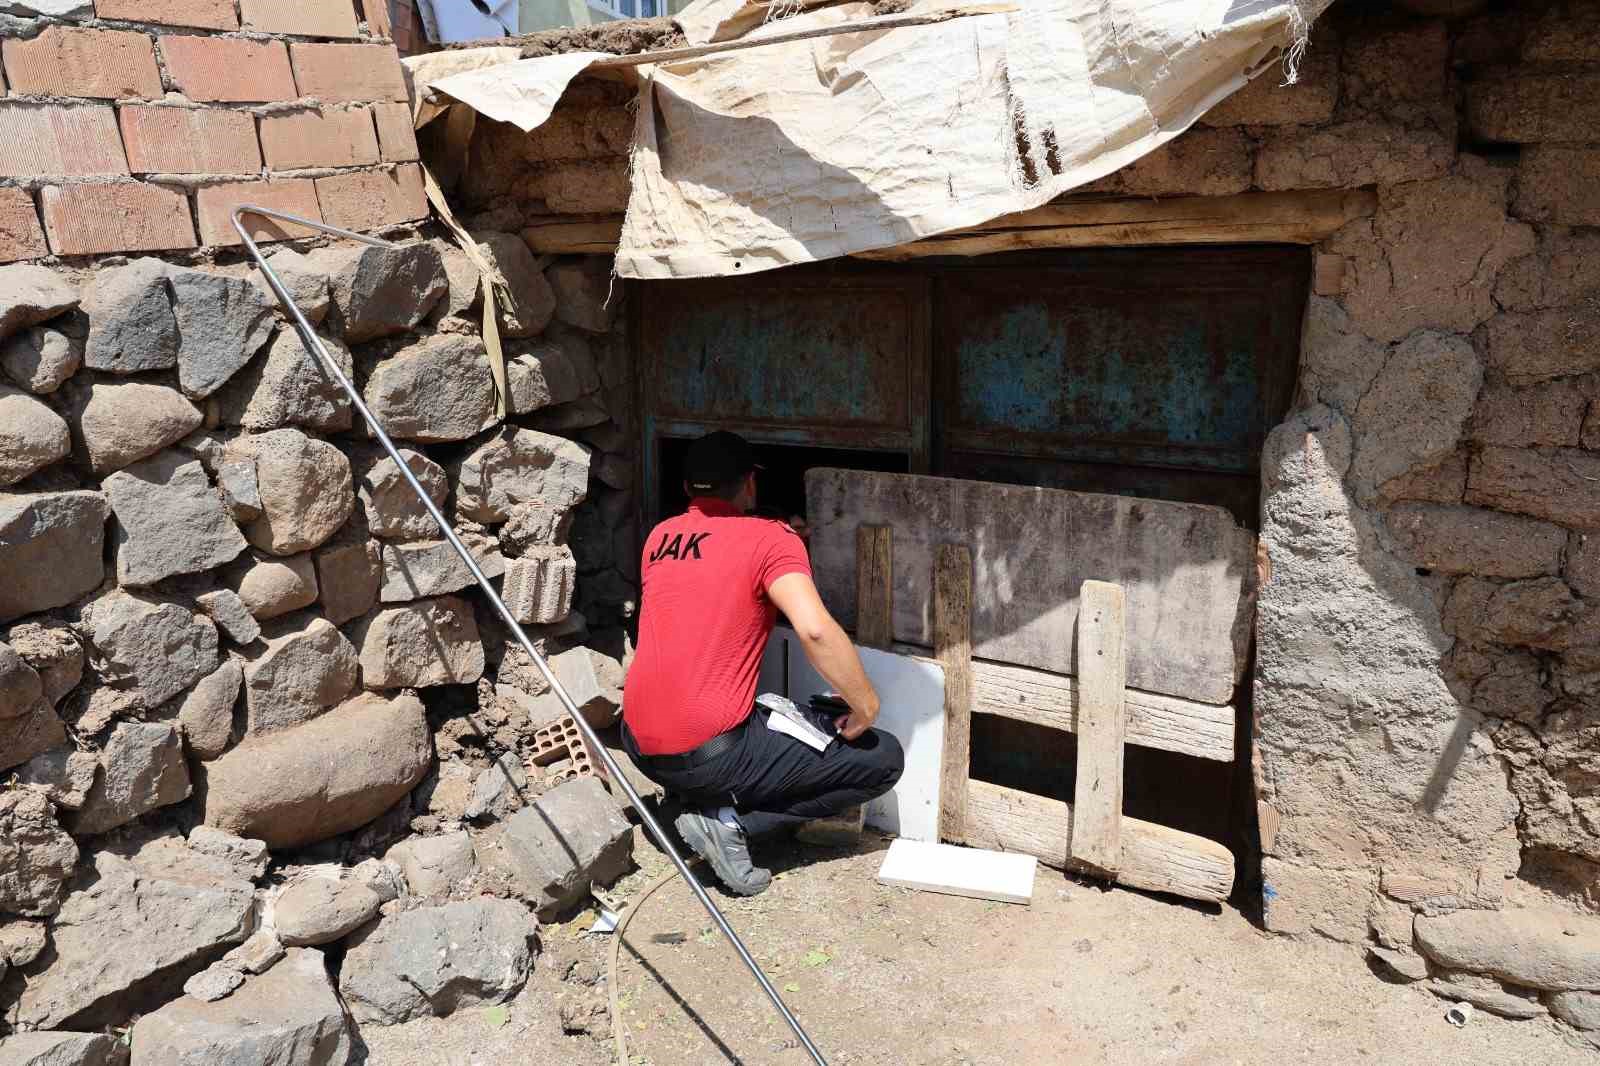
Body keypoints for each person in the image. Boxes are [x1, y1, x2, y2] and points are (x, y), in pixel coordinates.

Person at [621, 431, 905, 896]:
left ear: (689, 488)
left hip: (640, 746)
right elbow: (814, 630)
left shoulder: (660, 537)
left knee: (756, 715)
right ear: (750, 484)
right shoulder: (772, 539)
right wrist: (866, 703)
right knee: (882, 758)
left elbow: (713, 566)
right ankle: (733, 826)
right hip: (713, 755)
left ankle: (691, 802)